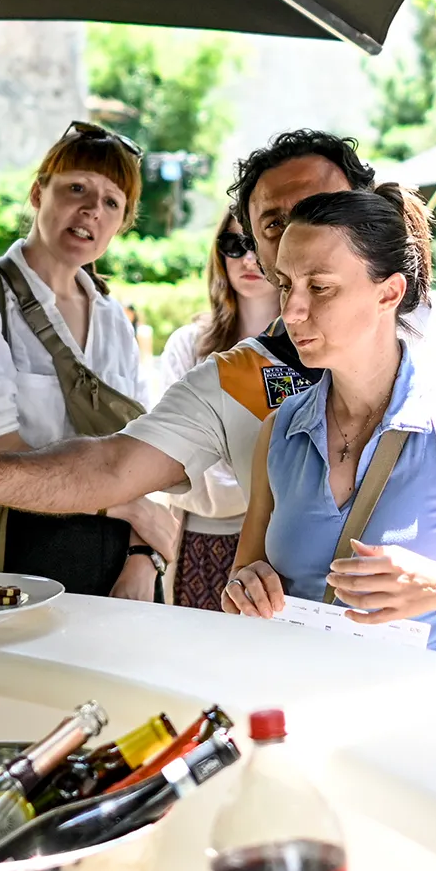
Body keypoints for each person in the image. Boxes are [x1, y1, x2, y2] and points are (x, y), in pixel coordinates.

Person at [0, 131, 436, 693]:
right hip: (308, 699)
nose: (300, 228)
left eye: (321, 206)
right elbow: (118, 463)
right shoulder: (254, 383)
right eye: (274, 223)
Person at [225, 186, 436, 656]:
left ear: (389, 293)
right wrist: (244, 588)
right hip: (296, 714)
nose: (291, 311)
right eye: (286, 285)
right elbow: (242, 582)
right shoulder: (280, 429)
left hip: (418, 722)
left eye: (319, 287)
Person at [0, 121, 168, 598]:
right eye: (77, 188)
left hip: (111, 569)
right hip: (3, 555)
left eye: (113, 201)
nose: (92, 209)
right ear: (37, 193)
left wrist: (141, 559)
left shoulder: (113, 318)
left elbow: (141, 457)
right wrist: (130, 507)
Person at [152, 210, 280, 610]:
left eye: (258, 244)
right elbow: (169, 461)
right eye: (234, 244)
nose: (248, 259)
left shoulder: (314, 348)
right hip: (197, 542)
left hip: (282, 546)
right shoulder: (189, 345)